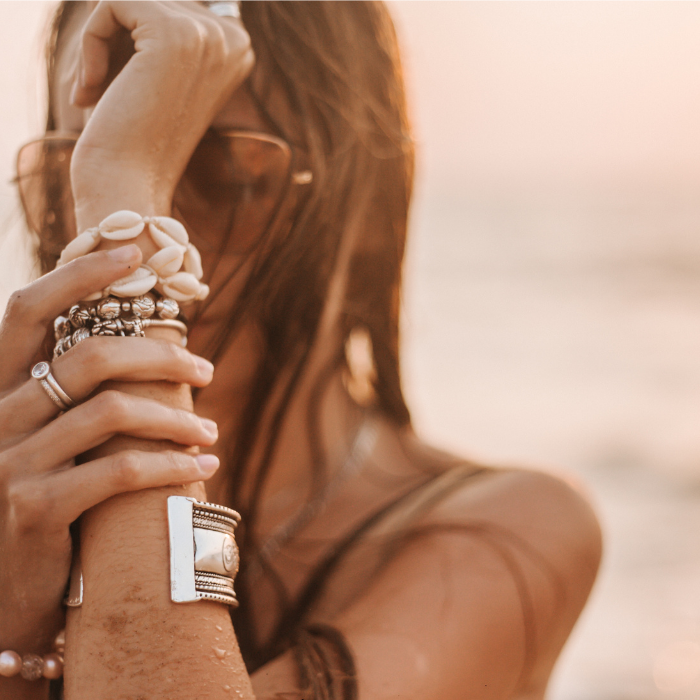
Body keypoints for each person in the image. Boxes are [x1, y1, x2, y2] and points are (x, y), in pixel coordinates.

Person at [0, 2, 602, 699]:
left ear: (370, 216)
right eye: (77, 182)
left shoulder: (511, 534)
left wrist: (125, 207)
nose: (166, 240)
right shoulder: (16, 513)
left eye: (229, 173)